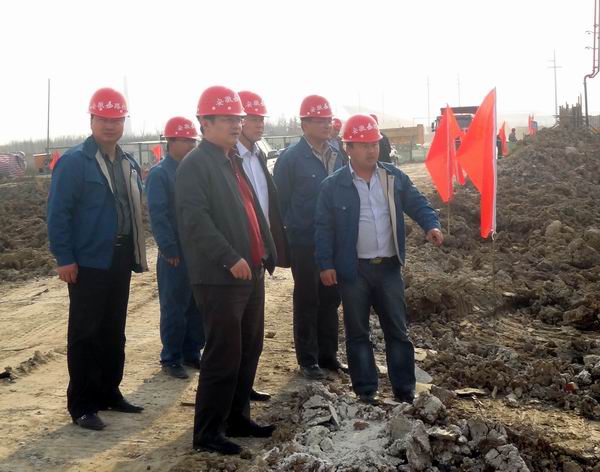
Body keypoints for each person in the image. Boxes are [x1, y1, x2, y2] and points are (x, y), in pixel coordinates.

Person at [314, 114, 443, 405]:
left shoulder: (393, 178)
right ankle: (366, 391)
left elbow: (417, 202)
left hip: (388, 268)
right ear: (348, 148)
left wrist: (431, 225)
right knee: (358, 333)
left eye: (374, 144)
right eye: (363, 145)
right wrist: (326, 264)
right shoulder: (333, 186)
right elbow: (323, 228)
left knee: (397, 331)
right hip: (353, 271)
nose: (371, 150)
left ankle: (404, 391)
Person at [176, 85, 277, 455]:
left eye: (238, 118)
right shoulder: (195, 165)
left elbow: (253, 209)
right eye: (227, 119)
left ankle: (237, 417)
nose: (236, 125)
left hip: (249, 272)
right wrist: (229, 257)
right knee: (223, 354)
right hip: (219, 277)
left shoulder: (232, 160)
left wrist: (267, 249)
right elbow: (195, 221)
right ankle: (207, 432)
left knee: (249, 348)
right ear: (204, 123)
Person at [47, 87, 148, 431]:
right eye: (103, 119)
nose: (109, 125)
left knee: (113, 330)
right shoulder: (75, 162)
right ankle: (82, 404)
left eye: (116, 119)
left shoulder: (127, 162)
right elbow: (58, 214)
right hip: (88, 261)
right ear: (91, 120)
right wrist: (64, 258)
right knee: (85, 333)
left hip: (120, 256)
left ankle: (109, 392)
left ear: (123, 123)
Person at [273, 95, 347, 380]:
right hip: (304, 240)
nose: (326, 125)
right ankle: (308, 359)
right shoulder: (291, 158)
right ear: (304, 124)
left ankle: (328, 355)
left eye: (328, 120)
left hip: (335, 240)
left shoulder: (338, 153)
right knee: (307, 298)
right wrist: (289, 234)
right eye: (319, 120)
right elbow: (280, 202)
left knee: (331, 298)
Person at [237, 90, 291, 401]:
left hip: (259, 252)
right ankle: (232, 399)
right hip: (237, 255)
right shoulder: (228, 159)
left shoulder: (258, 155)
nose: (260, 124)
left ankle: (245, 388)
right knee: (234, 336)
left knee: (253, 334)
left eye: (261, 119)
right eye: (253, 118)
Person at [146, 116, 205, 379]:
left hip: (197, 251)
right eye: (186, 141)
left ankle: (192, 351)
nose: (191, 145)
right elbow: (158, 215)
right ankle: (171, 357)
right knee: (174, 306)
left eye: (193, 141)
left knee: (196, 304)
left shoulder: (195, 171)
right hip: (176, 253)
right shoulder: (160, 174)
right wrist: (169, 248)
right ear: (171, 142)